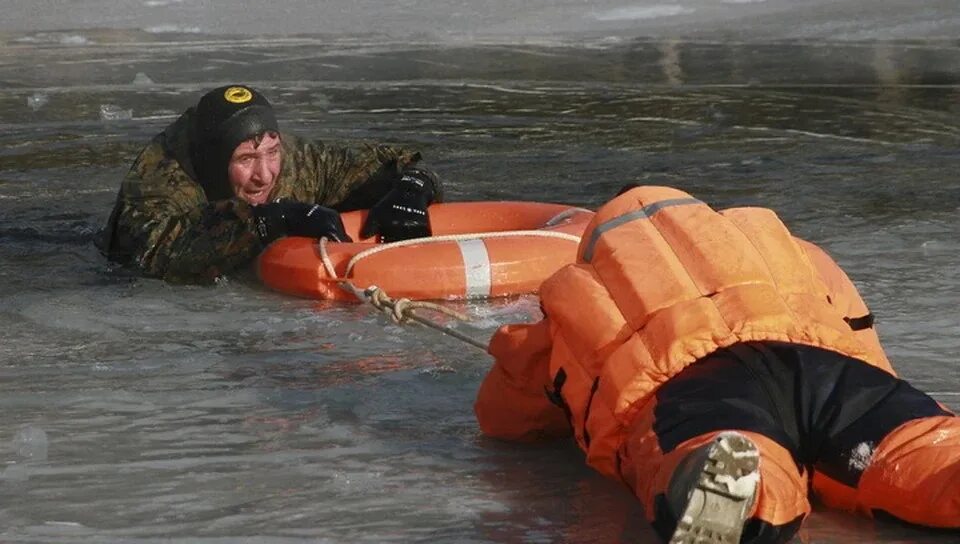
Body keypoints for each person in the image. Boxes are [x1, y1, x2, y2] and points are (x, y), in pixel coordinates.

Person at [475, 185, 960, 544]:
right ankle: (942, 465)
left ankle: (731, 480)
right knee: (912, 448)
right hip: (829, 370)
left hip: (698, 386)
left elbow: (507, 414)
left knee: (730, 453)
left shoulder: (586, 280)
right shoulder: (787, 250)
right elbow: (862, 334)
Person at [100, 84, 442, 283]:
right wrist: (270, 220)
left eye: (271, 152)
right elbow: (152, 250)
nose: (265, 174)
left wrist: (413, 187)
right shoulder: (163, 177)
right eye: (245, 160)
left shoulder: (294, 160)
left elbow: (390, 164)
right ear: (216, 164)